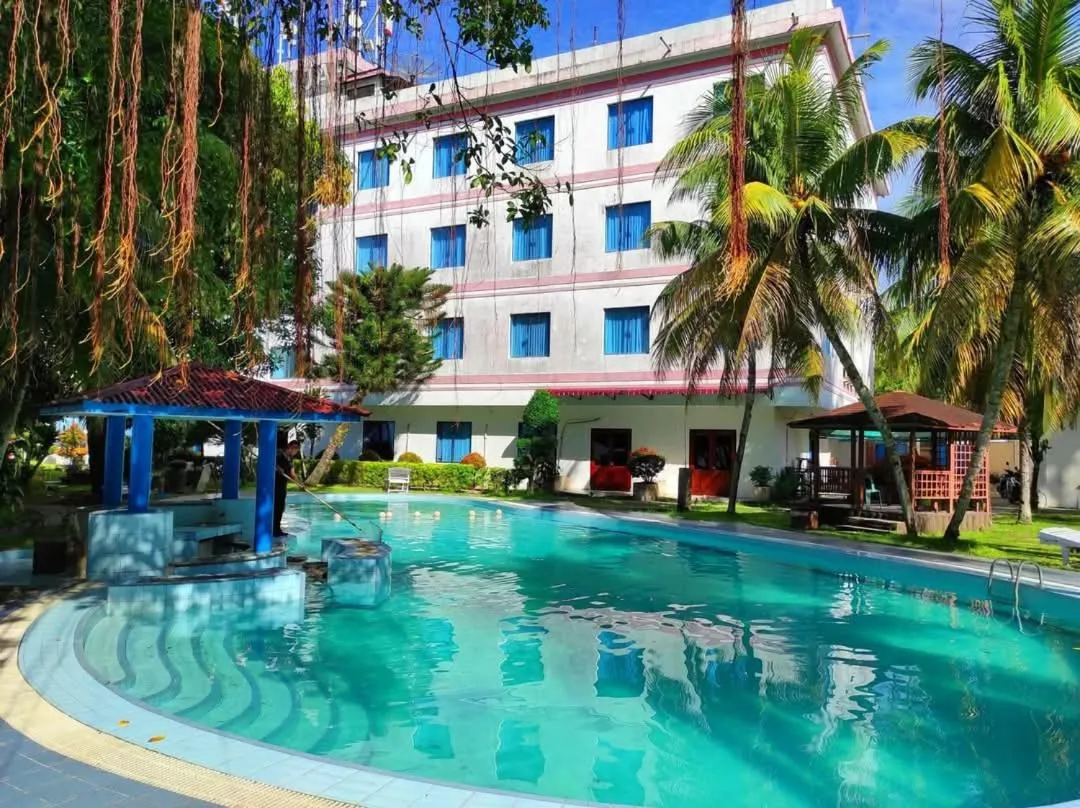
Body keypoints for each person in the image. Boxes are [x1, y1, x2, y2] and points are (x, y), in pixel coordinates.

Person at [274, 440, 301, 538]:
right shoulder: (279, 454)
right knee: (275, 507)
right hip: (275, 486)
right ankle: (273, 529)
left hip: (282, 487)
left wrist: (299, 483)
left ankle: (277, 529)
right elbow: (271, 462)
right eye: (295, 449)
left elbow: (292, 473)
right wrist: (277, 468)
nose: (295, 452)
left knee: (281, 508)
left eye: (297, 450)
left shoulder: (290, 460)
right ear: (290, 448)